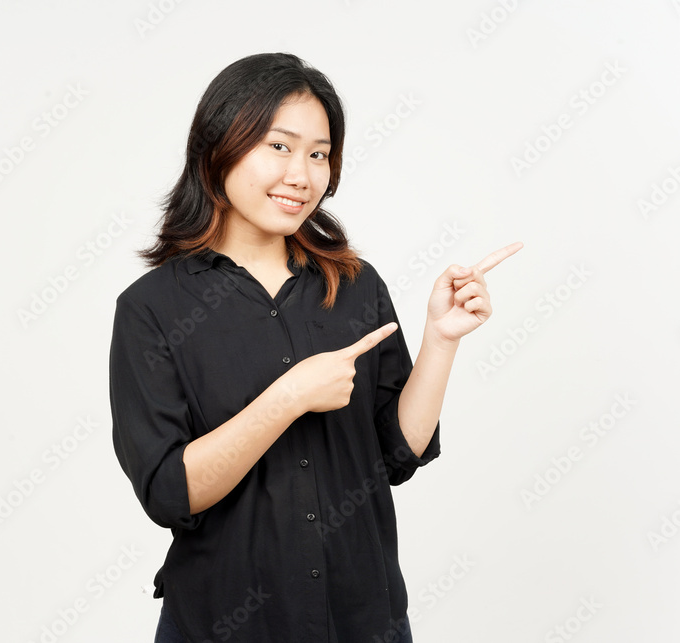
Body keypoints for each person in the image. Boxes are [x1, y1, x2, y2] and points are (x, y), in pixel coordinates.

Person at [109, 51, 522, 643]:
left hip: (362, 618)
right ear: (219, 145)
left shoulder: (355, 285)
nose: (301, 176)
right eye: (279, 146)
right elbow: (171, 493)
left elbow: (397, 453)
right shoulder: (152, 308)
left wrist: (440, 340)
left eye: (319, 154)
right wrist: (288, 398)